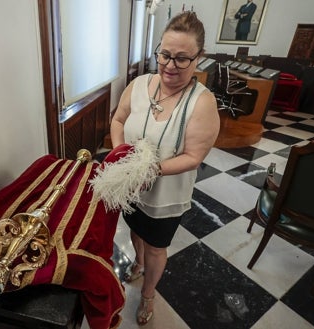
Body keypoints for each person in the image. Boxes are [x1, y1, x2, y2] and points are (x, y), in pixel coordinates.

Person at [110, 11, 220, 325]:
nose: (170, 65)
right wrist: (121, 153)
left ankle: (148, 294)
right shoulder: (139, 84)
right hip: (130, 184)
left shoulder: (202, 102)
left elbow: (193, 156)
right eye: (165, 54)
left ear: (199, 57)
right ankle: (138, 263)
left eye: (182, 58)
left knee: (157, 246)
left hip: (164, 195)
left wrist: (151, 169)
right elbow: (118, 120)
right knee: (135, 230)